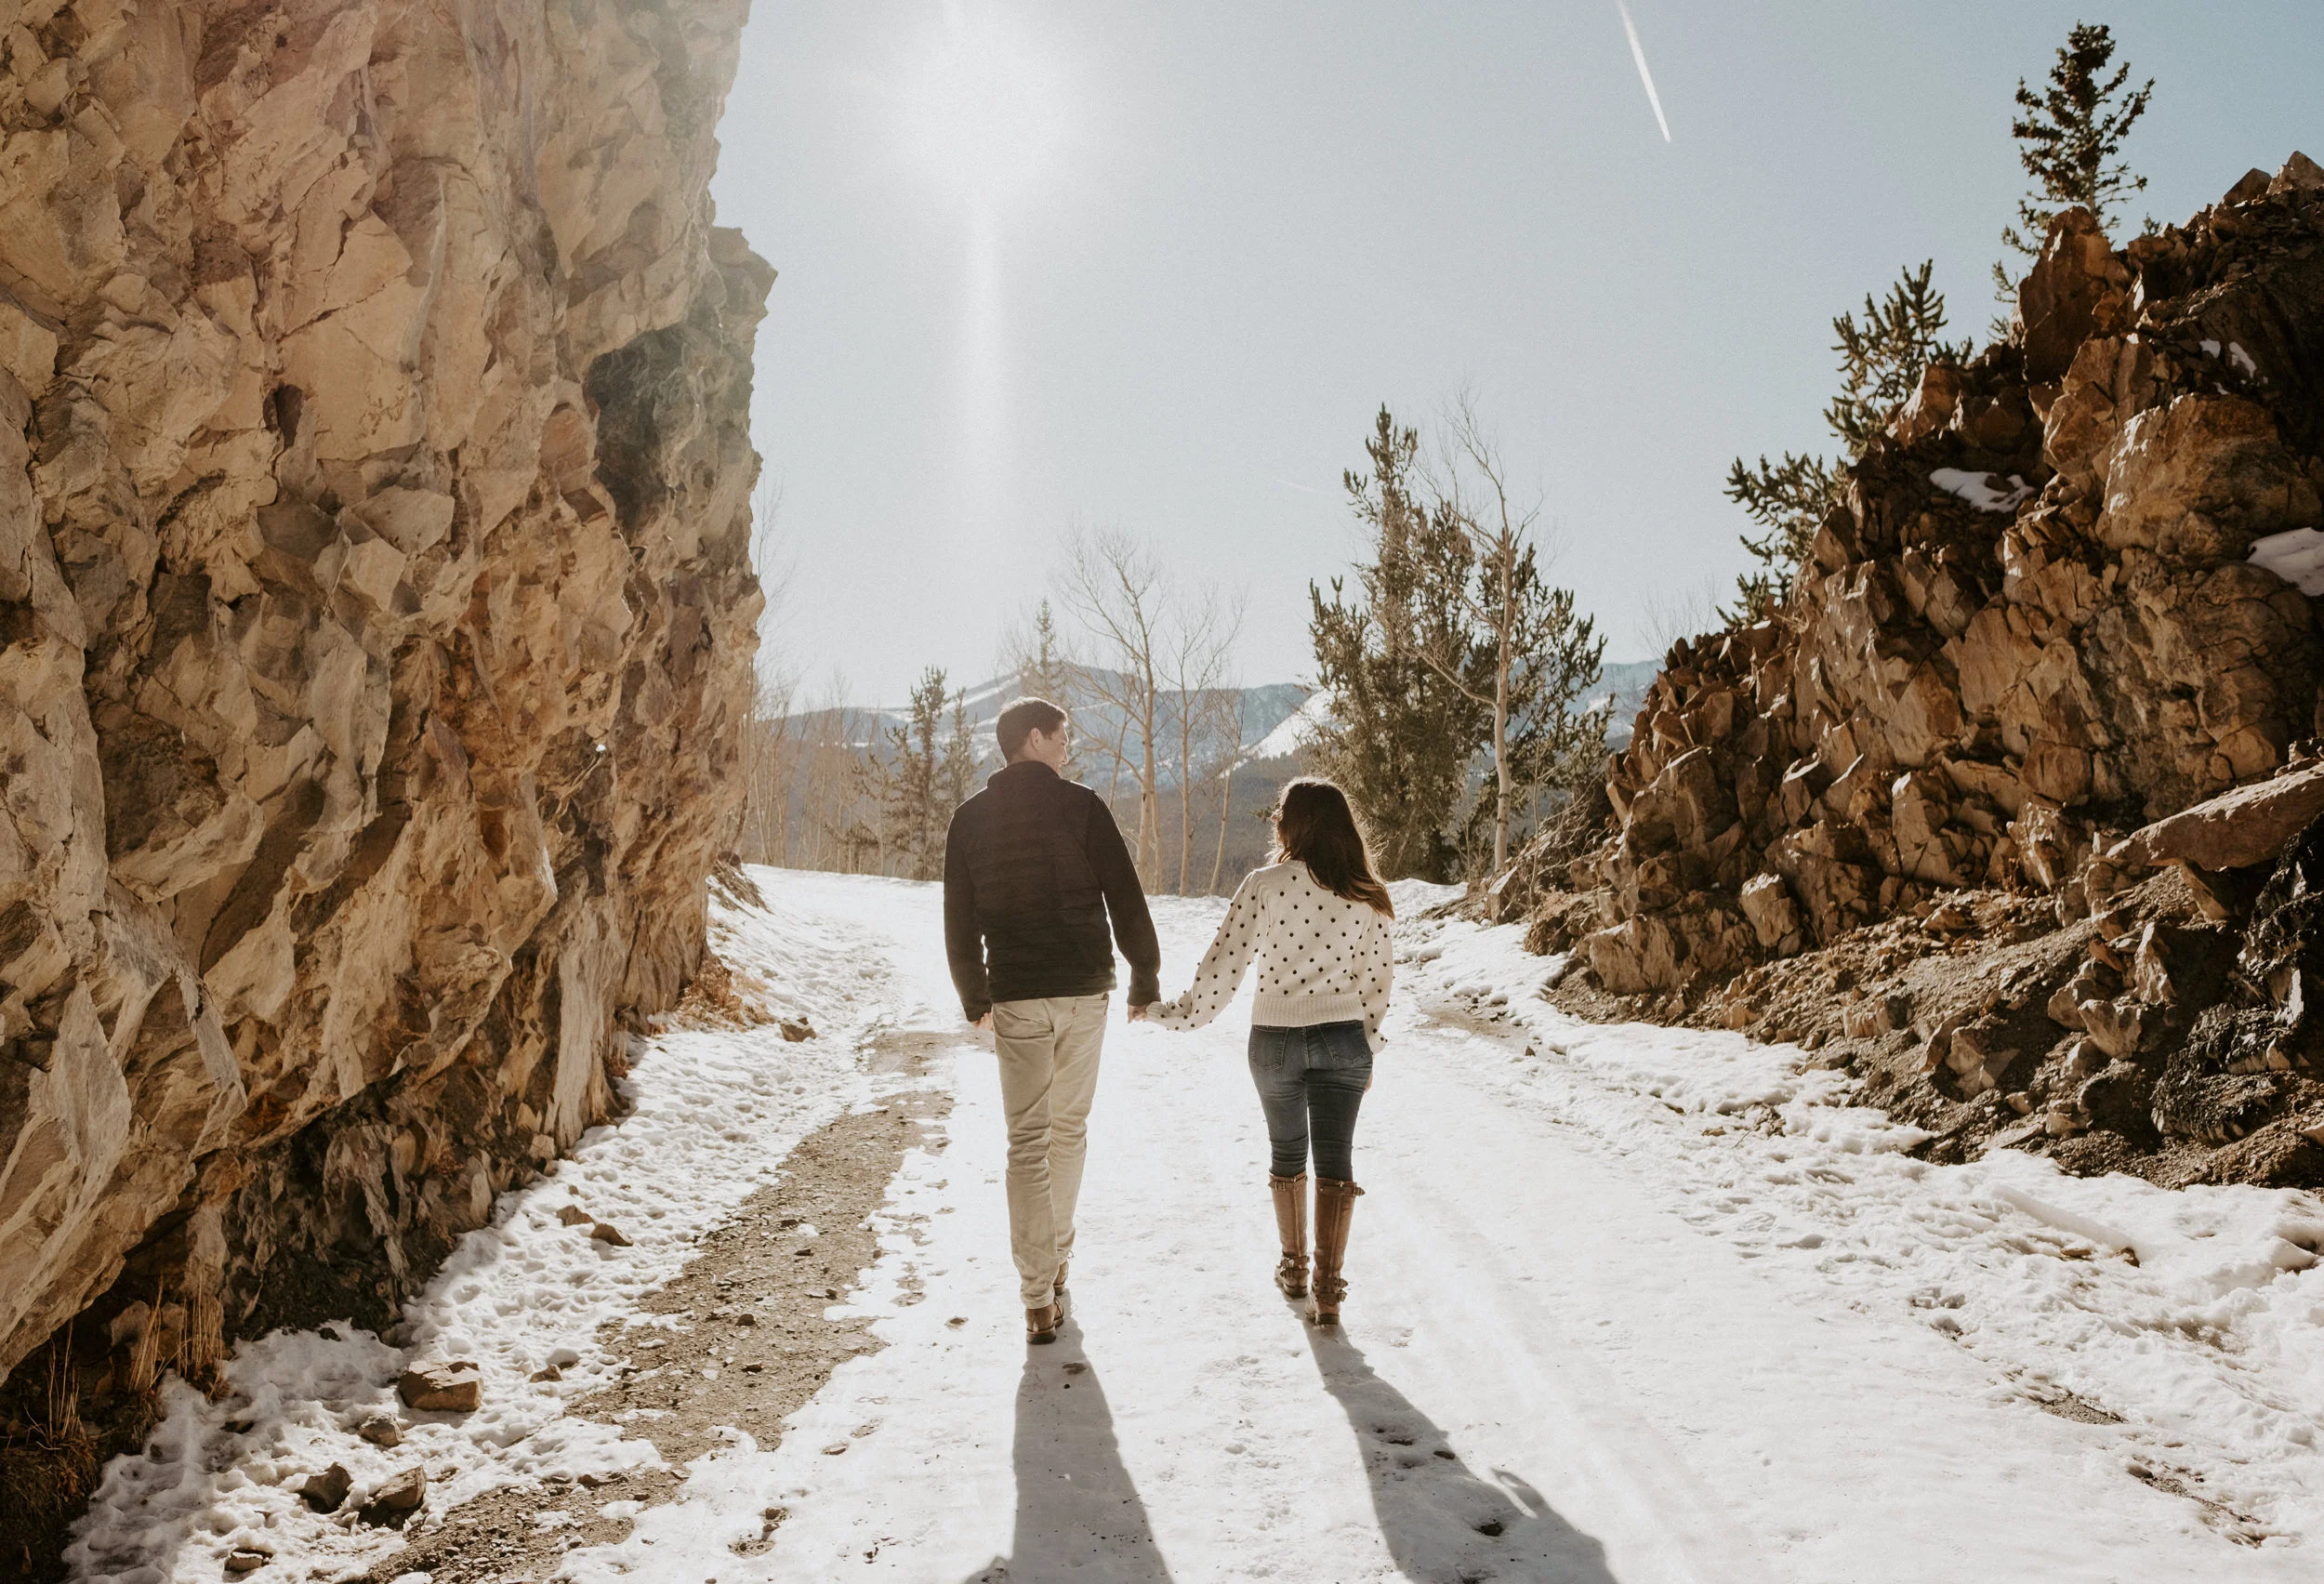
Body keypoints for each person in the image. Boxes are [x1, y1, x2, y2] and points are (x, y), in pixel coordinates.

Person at [944, 697, 1160, 1344]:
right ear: (1034, 738)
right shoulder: (1083, 807)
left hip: (1016, 994)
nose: (1068, 747)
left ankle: (1037, 1294)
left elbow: (959, 917)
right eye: (1062, 736)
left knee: (1027, 1141)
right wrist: (1144, 974)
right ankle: (1056, 1258)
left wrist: (973, 994)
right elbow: (1124, 895)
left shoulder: (970, 821)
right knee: (1067, 1131)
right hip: (1084, 988)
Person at [1142, 778, 1393, 1326]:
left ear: (1292, 823)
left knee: (1287, 1153)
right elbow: (1376, 983)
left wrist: (1173, 1015)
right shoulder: (1366, 892)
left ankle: (1295, 1266)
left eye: (1280, 815)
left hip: (1275, 1039)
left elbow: (1223, 968)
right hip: (1343, 1037)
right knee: (1337, 1160)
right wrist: (1367, 1047)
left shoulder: (1266, 884)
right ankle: (1328, 1293)